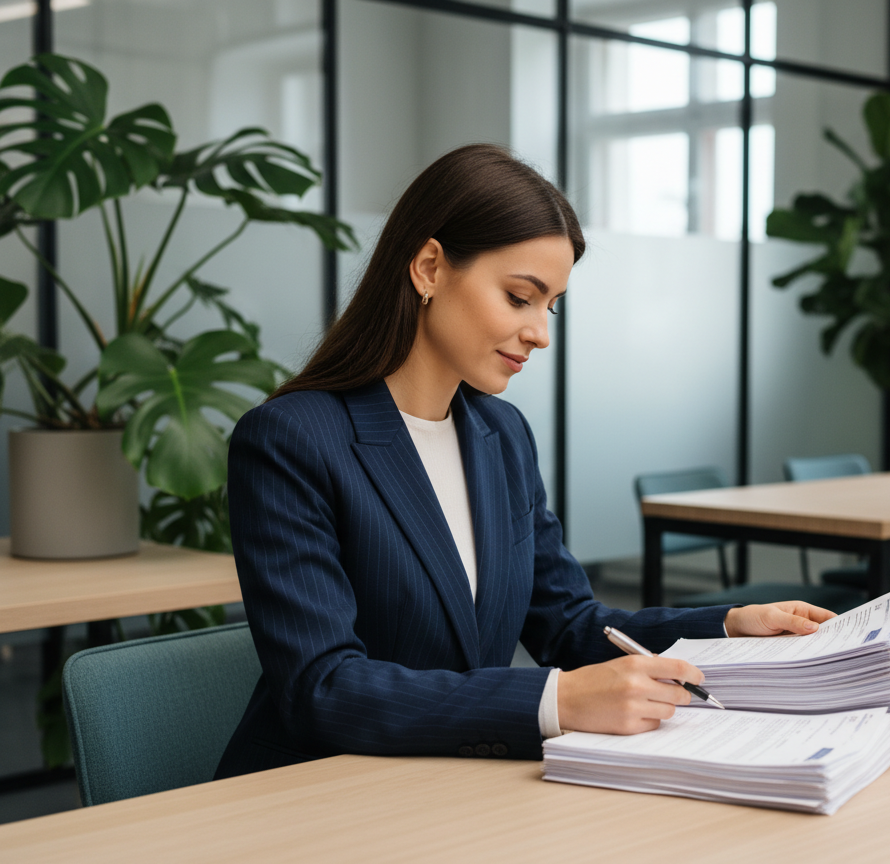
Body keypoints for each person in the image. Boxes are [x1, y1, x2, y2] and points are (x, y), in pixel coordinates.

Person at [215, 144, 835, 779]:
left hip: (455, 786)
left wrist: (728, 626)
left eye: (550, 305)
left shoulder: (502, 434)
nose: (541, 332)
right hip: (316, 791)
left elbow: (568, 624)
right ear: (429, 268)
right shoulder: (292, 440)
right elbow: (322, 686)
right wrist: (556, 699)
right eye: (519, 298)